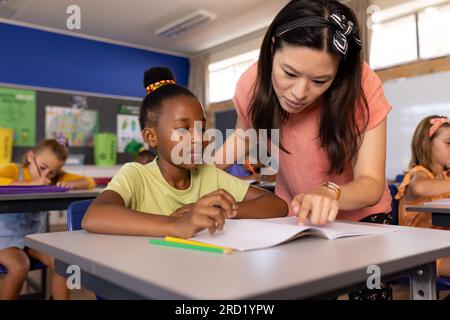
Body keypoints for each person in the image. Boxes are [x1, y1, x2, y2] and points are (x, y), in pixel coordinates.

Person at [215, 0, 393, 299]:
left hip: (363, 221)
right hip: (295, 217)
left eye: (320, 81)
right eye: (289, 73)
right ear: (272, 48)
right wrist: (192, 174)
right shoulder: (253, 81)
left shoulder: (363, 85)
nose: (299, 93)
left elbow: (371, 185)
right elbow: (244, 138)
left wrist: (330, 192)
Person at [82, 67, 288, 239]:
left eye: (202, 128)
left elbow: (276, 205)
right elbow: (94, 216)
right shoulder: (136, 176)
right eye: (183, 129)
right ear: (151, 137)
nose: (199, 138)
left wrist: (219, 211)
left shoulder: (208, 174)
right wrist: (177, 225)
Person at [0, 138, 96, 300]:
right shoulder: (15, 170)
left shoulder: (56, 177)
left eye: (52, 172)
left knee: (62, 262)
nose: (46, 175)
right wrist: (30, 183)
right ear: (31, 156)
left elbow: (89, 181)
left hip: (31, 239)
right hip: (4, 239)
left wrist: (72, 185)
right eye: (43, 167)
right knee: (19, 266)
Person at [395, 115, 450, 277]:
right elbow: (419, 187)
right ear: (426, 144)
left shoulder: (446, 177)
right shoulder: (418, 173)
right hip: (423, 256)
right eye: (449, 143)